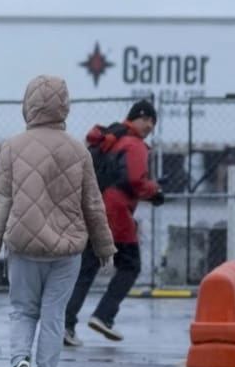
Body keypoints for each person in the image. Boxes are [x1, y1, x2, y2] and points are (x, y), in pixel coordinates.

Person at [0, 75, 115, 367]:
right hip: (68, 249)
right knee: (54, 316)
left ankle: (20, 364)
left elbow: (0, 202)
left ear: (29, 104)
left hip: (23, 245)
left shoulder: (12, 147)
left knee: (23, 311)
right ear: (64, 106)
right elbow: (93, 203)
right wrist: (104, 247)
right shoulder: (77, 149)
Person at [64, 99, 162, 345]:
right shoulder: (135, 144)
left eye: (153, 121)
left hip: (95, 210)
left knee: (87, 270)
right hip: (116, 215)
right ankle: (104, 316)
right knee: (130, 266)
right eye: (146, 119)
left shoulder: (112, 140)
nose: (149, 125)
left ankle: (65, 325)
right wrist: (155, 191)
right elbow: (135, 181)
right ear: (134, 118)